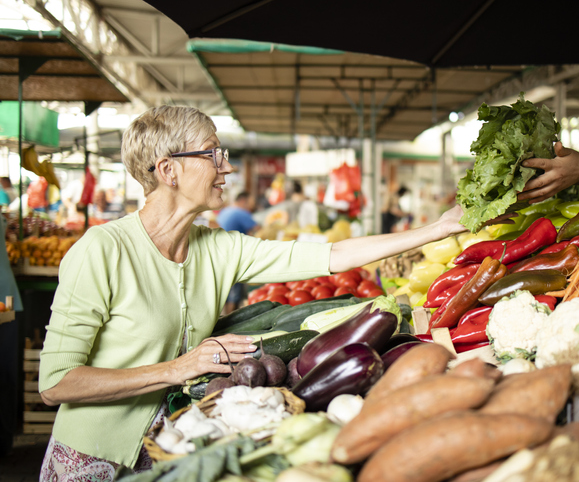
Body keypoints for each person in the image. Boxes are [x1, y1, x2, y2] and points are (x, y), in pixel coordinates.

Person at [37, 105, 466, 480]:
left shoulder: (217, 247)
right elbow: (56, 384)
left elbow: (331, 255)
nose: (226, 167)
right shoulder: (102, 250)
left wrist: (436, 229)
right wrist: (177, 368)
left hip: (173, 452)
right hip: (91, 458)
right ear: (168, 170)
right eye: (212, 154)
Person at [216, 192, 259, 313]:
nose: (252, 204)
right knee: (234, 294)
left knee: (225, 291)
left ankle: (222, 318)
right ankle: (229, 321)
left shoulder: (225, 211)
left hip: (221, 254)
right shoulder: (241, 213)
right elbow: (258, 230)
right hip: (234, 256)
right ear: (243, 200)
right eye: (251, 201)